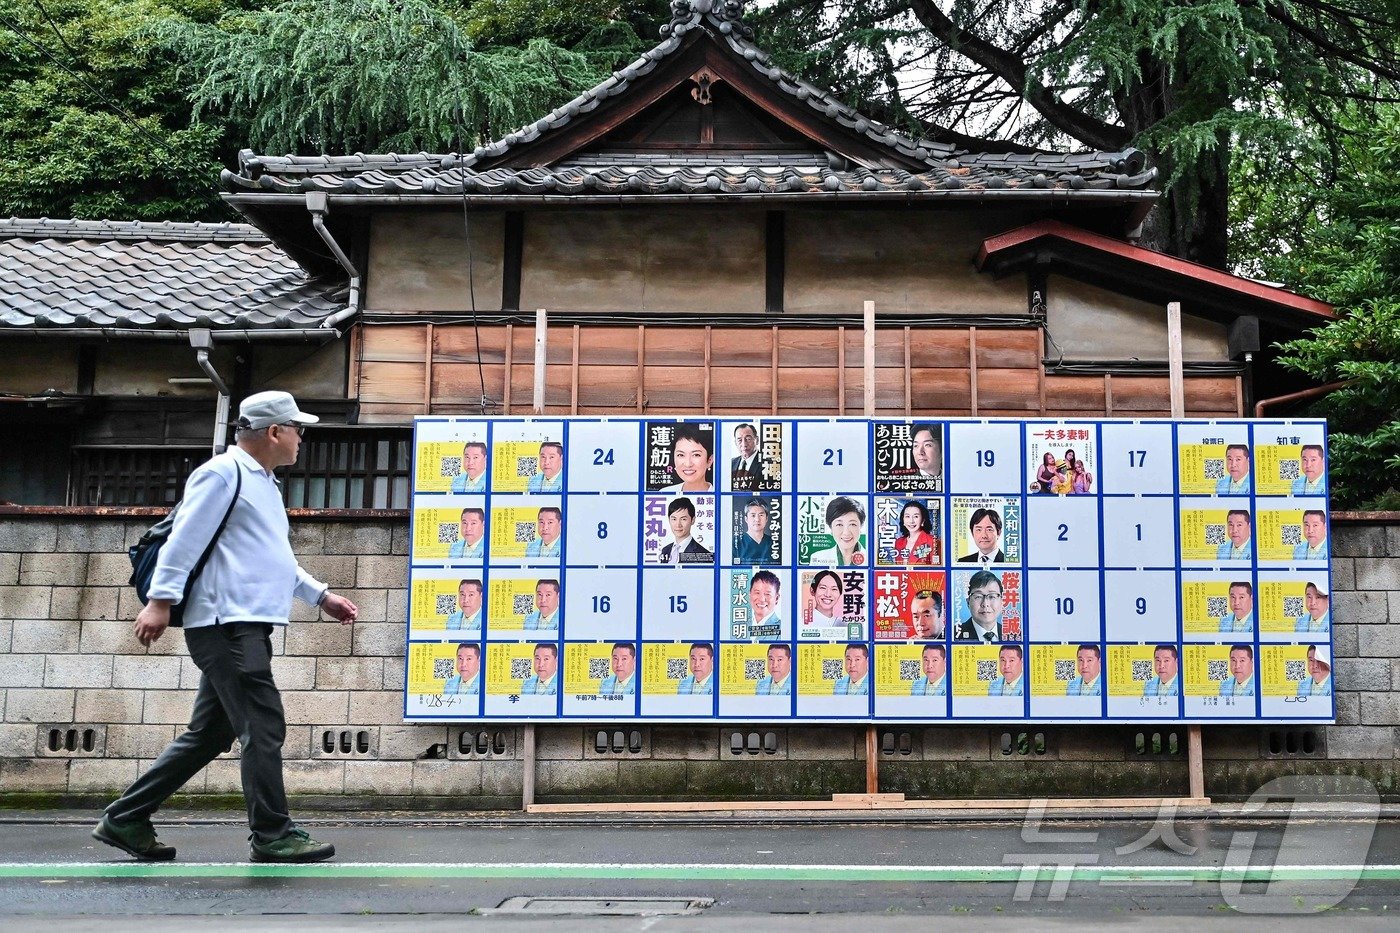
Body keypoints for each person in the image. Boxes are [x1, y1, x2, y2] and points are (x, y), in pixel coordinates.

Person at [94, 390, 357, 864]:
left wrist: (321, 596)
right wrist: (159, 601)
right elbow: (183, 540)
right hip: (226, 625)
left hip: (244, 624)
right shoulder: (223, 474)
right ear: (275, 432)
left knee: (211, 733)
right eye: (298, 428)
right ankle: (273, 834)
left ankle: (126, 818)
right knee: (262, 723)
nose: (302, 438)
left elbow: (274, 559)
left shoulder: (266, 485)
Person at [808, 496, 866, 565]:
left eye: (852, 524)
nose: (846, 533)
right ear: (831, 528)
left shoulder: (872, 558)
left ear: (861, 526)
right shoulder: (818, 558)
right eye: (839, 525)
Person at [661, 424, 714, 493]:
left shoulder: (722, 495)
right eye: (681, 455)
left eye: (696, 455)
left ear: (709, 461)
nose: (688, 464)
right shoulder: (664, 493)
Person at [954, 570, 1005, 642]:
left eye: (992, 596)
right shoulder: (952, 634)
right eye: (978, 596)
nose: (985, 604)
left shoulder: (1014, 635)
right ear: (968, 602)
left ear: (1002, 601)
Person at [659, 497, 712, 564]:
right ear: (669, 519)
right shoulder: (665, 550)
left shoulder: (703, 555)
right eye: (674, 519)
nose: (678, 525)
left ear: (693, 520)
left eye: (683, 519)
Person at [892, 500, 938, 565]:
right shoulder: (898, 542)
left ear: (923, 521)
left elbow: (938, 571)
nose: (911, 521)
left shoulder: (933, 541)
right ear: (903, 520)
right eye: (907, 516)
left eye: (916, 516)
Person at [735, 498, 775, 565]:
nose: (757, 519)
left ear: (766, 518)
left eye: (761, 515)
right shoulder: (736, 543)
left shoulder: (774, 543)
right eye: (753, 515)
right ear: (746, 519)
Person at [749, 570, 783, 636]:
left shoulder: (783, 628)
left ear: (776, 598)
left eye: (767, 594)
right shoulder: (740, 625)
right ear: (750, 594)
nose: (761, 599)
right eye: (757, 593)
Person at [730, 423, 762, 491]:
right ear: (735, 442)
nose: (744, 444)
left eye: (748, 439)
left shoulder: (767, 464)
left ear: (757, 440)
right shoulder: (731, 463)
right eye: (739, 440)